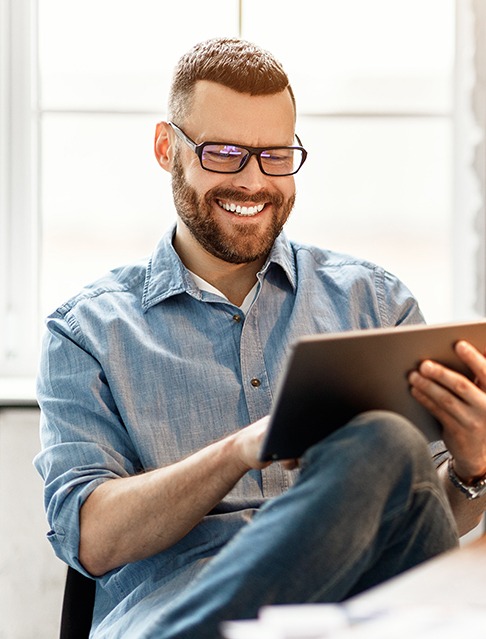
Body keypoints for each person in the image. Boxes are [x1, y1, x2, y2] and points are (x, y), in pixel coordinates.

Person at [34, 38, 486, 639]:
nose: (254, 182)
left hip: (356, 615)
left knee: (390, 452)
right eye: (224, 153)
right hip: (179, 614)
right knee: (382, 439)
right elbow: (89, 539)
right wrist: (239, 451)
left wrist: (473, 468)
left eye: (275, 155)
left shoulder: (374, 303)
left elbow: (424, 525)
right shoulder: (87, 331)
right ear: (168, 149)